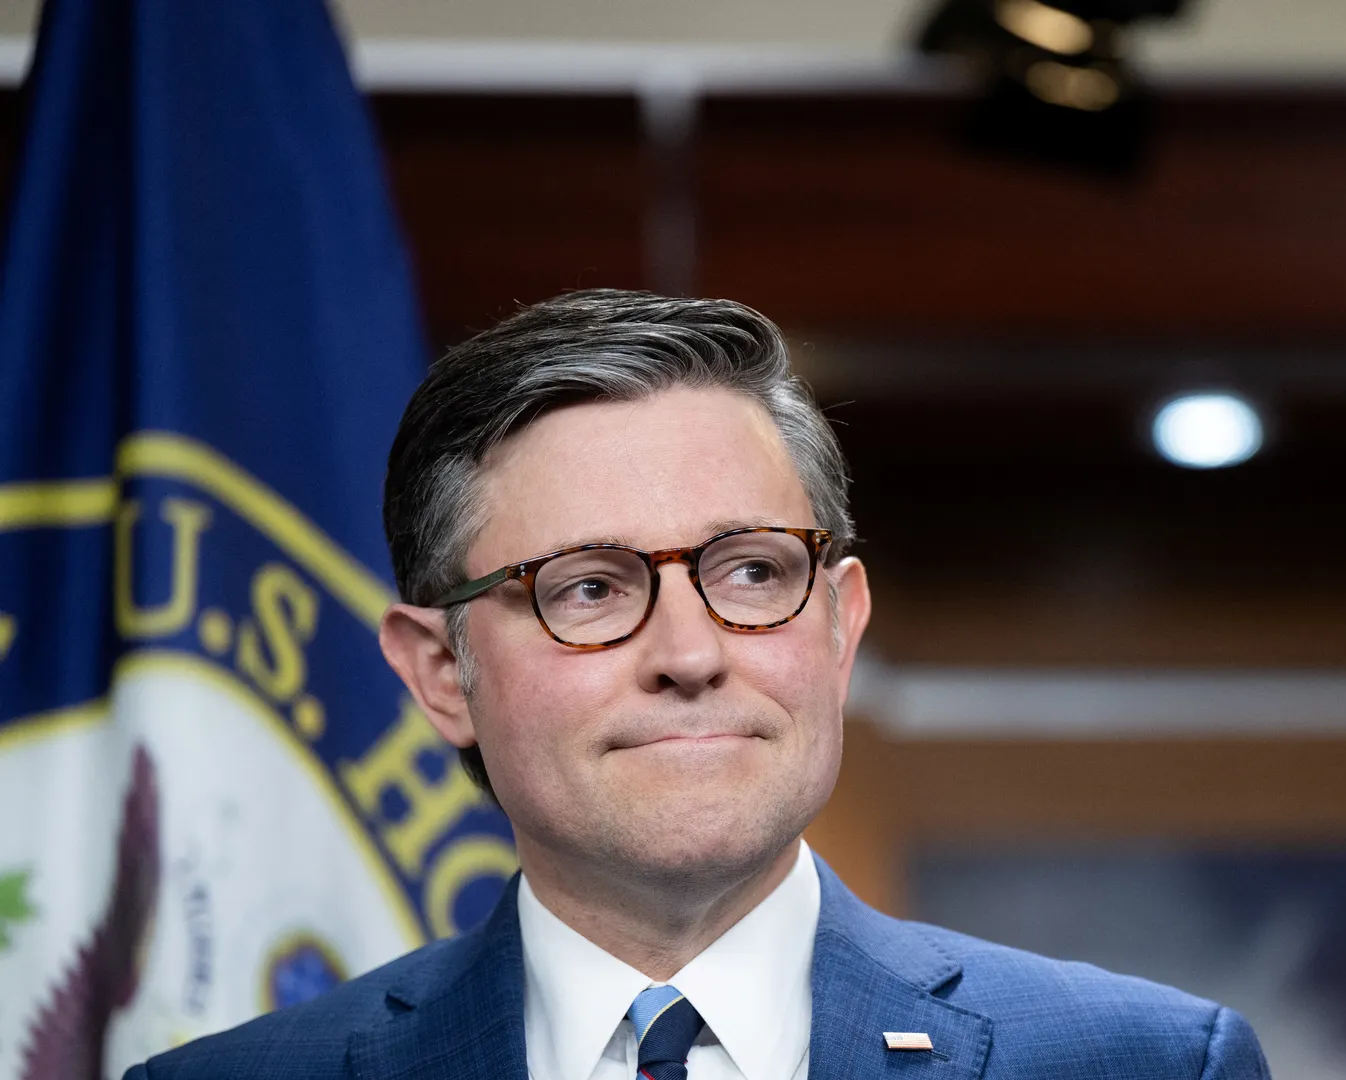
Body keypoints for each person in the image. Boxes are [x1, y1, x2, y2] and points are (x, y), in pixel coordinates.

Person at [124, 290, 1271, 1080]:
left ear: (838, 624)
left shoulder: (1145, 1064)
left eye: (754, 570)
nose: (690, 651)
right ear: (442, 673)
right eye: (587, 588)